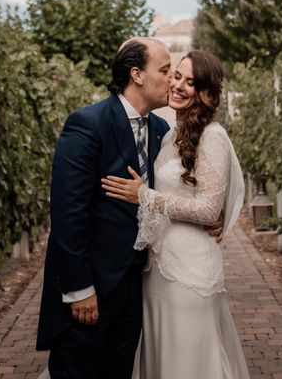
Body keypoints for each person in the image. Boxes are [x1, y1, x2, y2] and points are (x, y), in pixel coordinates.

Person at [36, 38, 223, 379]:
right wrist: (79, 290)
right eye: (165, 71)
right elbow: (67, 215)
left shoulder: (162, 130)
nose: (172, 81)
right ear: (137, 74)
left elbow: (174, 189)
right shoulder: (87, 124)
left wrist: (209, 215)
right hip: (90, 291)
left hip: (137, 288)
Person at [101, 50, 250, 379]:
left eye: (191, 82)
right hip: (158, 270)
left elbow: (208, 208)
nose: (179, 85)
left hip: (190, 274)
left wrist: (146, 196)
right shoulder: (170, 134)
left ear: (206, 92)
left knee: (188, 362)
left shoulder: (213, 136)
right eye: (176, 76)